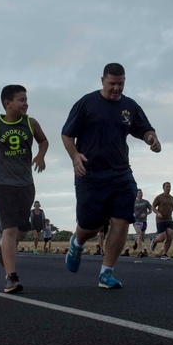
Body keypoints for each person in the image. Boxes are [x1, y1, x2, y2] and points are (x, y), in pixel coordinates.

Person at [62, 62, 161, 288]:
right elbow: (67, 134)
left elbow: (145, 128)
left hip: (120, 173)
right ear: (102, 81)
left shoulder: (129, 105)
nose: (116, 88)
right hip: (90, 173)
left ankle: (106, 273)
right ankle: (77, 243)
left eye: (121, 83)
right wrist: (75, 156)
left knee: (122, 220)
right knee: (91, 225)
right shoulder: (87, 103)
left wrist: (151, 139)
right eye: (112, 83)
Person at [0, 84, 49, 293]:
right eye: (21, 100)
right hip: (4, 183)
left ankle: (4, 251)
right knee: (9, 229)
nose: (26, 104)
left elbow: (43, 141)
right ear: (7, 103)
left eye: (26, 100)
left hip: (26, 183)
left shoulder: (30, 123)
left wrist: (40, 155)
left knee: (22, 231)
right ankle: (11, 277)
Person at [151, 182, 173, 260]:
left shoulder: (172, 199)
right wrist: (157, 212)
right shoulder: (159, 197)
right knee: (162, 238)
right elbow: (153, 207)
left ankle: (164, 254)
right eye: (167, 187)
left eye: (169, 187)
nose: (168, 188)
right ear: (163, 188)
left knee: (170, 237)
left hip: (169, 220)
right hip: (160, 220)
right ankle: (155, 241)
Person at [132, 189, 153, 253]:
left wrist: (146, 214)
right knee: (140, 235)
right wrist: (133, 214)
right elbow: (130, 210)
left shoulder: (145, 202)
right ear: (136, 194)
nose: (141, 194)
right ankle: (141, 251)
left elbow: (151, 210)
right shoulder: (134, 202)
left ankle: (136, 241)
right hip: (136, 221)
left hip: (143, 221)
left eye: (141, 193)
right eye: (139, 193)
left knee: (142, 238)